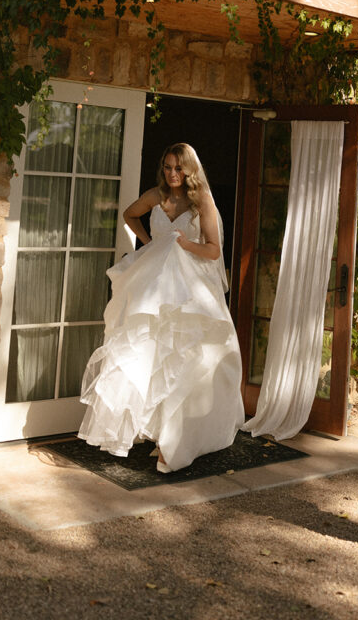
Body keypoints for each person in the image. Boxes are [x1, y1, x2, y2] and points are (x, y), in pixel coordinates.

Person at [78, 142, 245, 472]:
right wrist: (150, 243)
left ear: (189, 171)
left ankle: (177, 440)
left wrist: (184, 244)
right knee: (147, 355)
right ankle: (154, 433)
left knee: (186, 362)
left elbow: (213, 251)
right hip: (152, 284)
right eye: (168, 167)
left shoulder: (203, 202)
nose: (172, 174)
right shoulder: (155, 196)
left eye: (178, 169)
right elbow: (129, 214)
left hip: (189, 289)